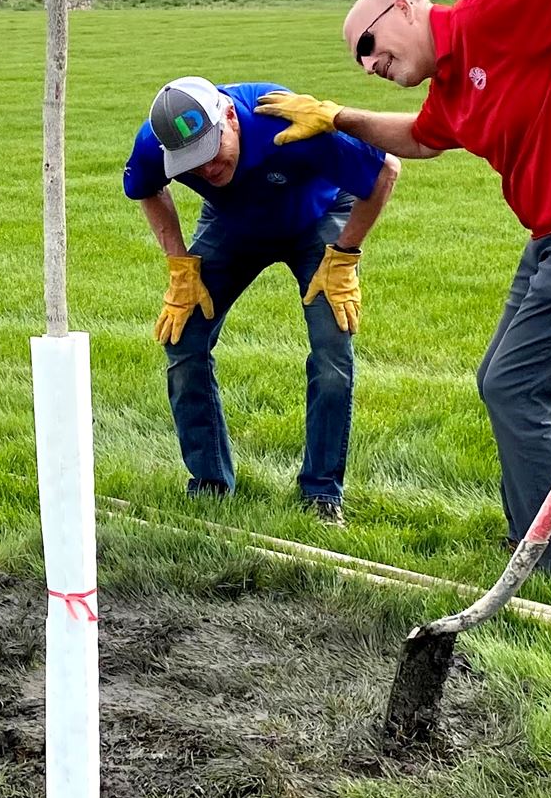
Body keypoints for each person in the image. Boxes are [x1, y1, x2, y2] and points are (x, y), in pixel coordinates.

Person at [265, 0, 551, 572]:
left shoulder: (488, 14)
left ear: (406, 6)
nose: (371, 63)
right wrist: (337, 117)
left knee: (517, 385)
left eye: (372, 43)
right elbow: (419, 137)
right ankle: (532, 535)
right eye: (361, 60)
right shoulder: (450, 90)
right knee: (500, 377)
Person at [125, 76, 399, 522]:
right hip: (234, 223)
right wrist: (179, 265)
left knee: (332, 353)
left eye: (211, 153)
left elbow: (385, 169)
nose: (205, 170)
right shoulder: (156, 142)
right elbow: (147, 189)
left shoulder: (284, 123)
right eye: (190, 164)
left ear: (229, 117)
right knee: (183, 340)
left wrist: (345, 255)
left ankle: (321, 494)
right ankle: (210, 485)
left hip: (319, 215)